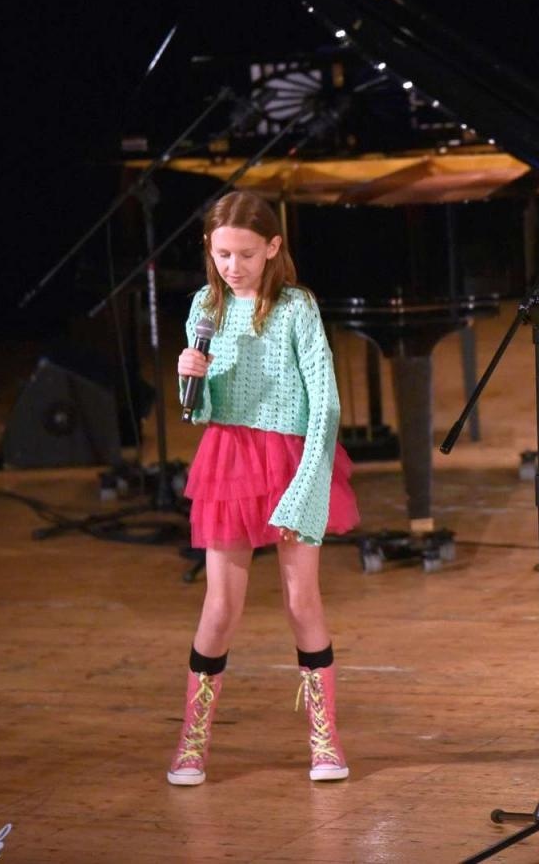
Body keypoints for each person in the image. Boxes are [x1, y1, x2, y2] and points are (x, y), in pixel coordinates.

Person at [165, 191, 360, 786]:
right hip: (229, 459)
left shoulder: (296, 307)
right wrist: (189, 381)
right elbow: (199, 412)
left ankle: (325, 741)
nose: (233, 266)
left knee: (302, 601)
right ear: (209, 250)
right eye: (223, 253)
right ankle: (192, 742)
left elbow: (323, 401)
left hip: (293, 457)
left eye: (246, 254)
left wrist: (308, 485)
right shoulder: (205, 305)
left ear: (273, 248)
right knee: (220, 607)